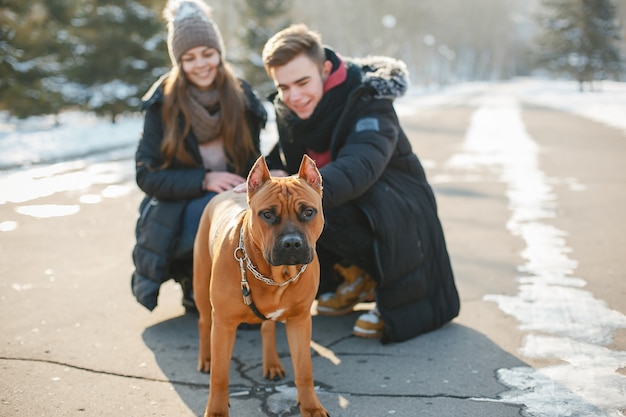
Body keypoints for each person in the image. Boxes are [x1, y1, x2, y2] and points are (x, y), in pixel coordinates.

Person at [261, 24, 460, 343]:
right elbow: (282, 158)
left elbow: (361, 165)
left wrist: (297, 190)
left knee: (313, 203)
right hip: (350, 203)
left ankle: (390, 292)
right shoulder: (289, 109)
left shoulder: (368, 98)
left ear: (325, 69)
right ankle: (357, 277)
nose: (293, 96)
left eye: (302, 82)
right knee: (301, 206)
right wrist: (258, 182)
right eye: (283, 87)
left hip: (399, 208)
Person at [130, 0, 266, 312]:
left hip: (234, 196)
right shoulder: (162, 104)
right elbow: (146, 175)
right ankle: (193, 279)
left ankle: (246, 282)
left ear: (219, 52)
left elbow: (251, 160)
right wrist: (204, 179)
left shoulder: (241, 98)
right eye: (189, 58)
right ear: (178, 61)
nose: (200, 63)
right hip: (177, 209)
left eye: (207, 53)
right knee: (213, 207)